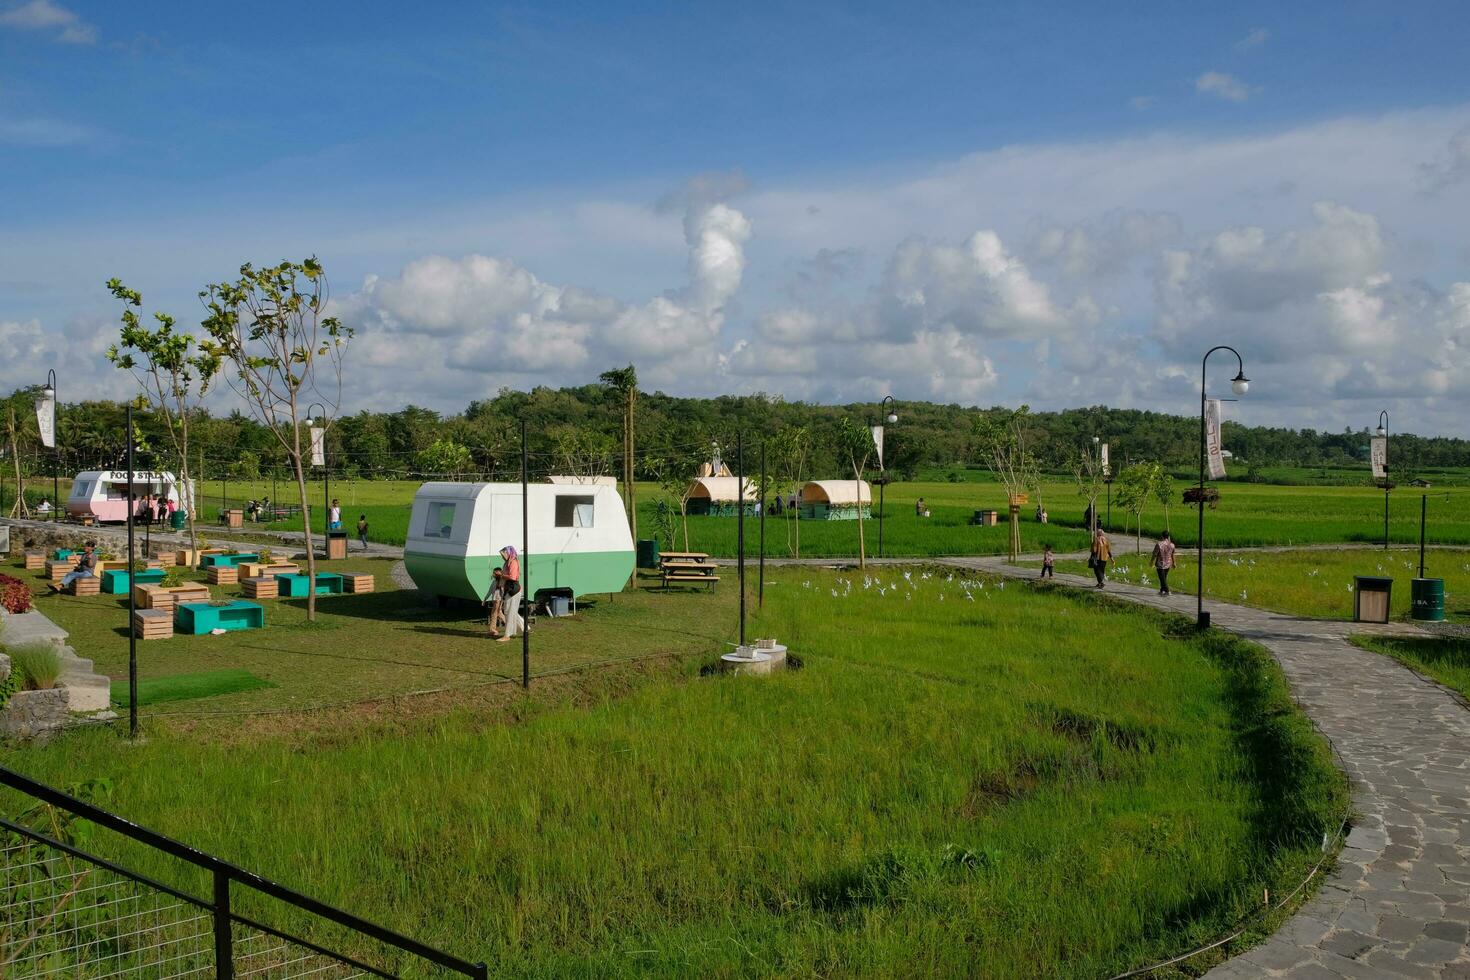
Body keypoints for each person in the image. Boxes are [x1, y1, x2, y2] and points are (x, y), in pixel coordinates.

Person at [496, 545, 523, 642]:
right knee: (509, 611)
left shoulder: (513, 562)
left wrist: (501, 575)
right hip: (509, 589)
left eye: (503, 554)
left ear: (508, 553)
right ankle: (524, 629)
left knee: (509, 612)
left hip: (513, 589)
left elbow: (513, 577)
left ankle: (507, 635)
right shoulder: (507, 563)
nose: (502, 556)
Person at [1150, 531, 1176, 596]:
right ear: (1168, 536)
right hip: (1168, 564)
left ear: (1162, 536)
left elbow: (1154, 554)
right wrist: (1174, 563)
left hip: (1160, 564)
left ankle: (1167, 591)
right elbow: (1172, 554)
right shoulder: (1172, 545)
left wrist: (1151, 562)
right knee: (1163, 578)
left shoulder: (1159, 544)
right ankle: (1162, 590)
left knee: (1162, 579)